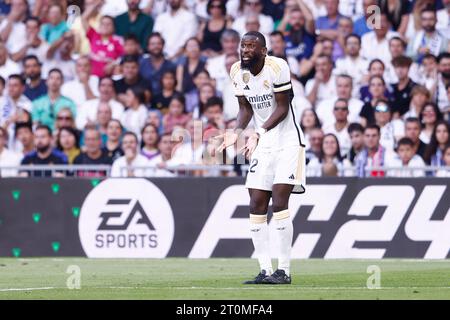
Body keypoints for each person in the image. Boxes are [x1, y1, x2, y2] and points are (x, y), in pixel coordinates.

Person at [216, 31, 306, 284]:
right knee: (256, 203)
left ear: (264, 51)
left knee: (279, 202)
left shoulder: (278, 67)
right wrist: (236, 133)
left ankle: (284, 271)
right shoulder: (236, 71)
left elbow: (282, 106)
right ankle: (265, 269)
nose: (245, 50)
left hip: (287, 142)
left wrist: (258, 131)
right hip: (262, 142)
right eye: (243, 45)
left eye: (252, 46)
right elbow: (245, 108)